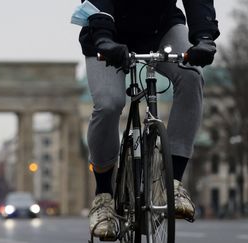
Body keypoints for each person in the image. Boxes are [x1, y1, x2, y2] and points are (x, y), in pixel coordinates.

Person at [76, 0, 219, 240]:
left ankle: (172, 183)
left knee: (192, 77)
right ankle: (103, 197)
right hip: (108, 33)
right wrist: (102, 36)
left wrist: (204, 36)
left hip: (161, 28)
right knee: (109, 103)